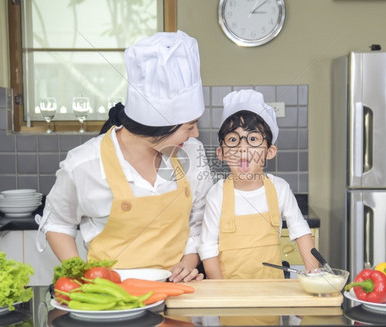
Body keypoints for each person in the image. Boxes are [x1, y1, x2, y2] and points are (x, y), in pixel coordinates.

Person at [35, 30, 213, 283]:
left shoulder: (191, 151)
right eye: (189, 125)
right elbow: (58, 223)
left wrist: (187, 263)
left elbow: (197, 220)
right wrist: (81, 274)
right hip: (111, 297)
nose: (195, 133)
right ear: (158, 127)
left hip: (178, 290)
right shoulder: (84, 164)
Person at [198, 89, 319, 280]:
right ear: (221, 153)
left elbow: (301, 232)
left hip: (273, 293)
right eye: (232, 140)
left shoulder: (280, 189)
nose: (243, 148)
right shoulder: (217, 194)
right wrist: (220, 291)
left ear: (269, 152)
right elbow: (207, 247)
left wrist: (314, 274)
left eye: (253, 139)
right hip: (230, 298)